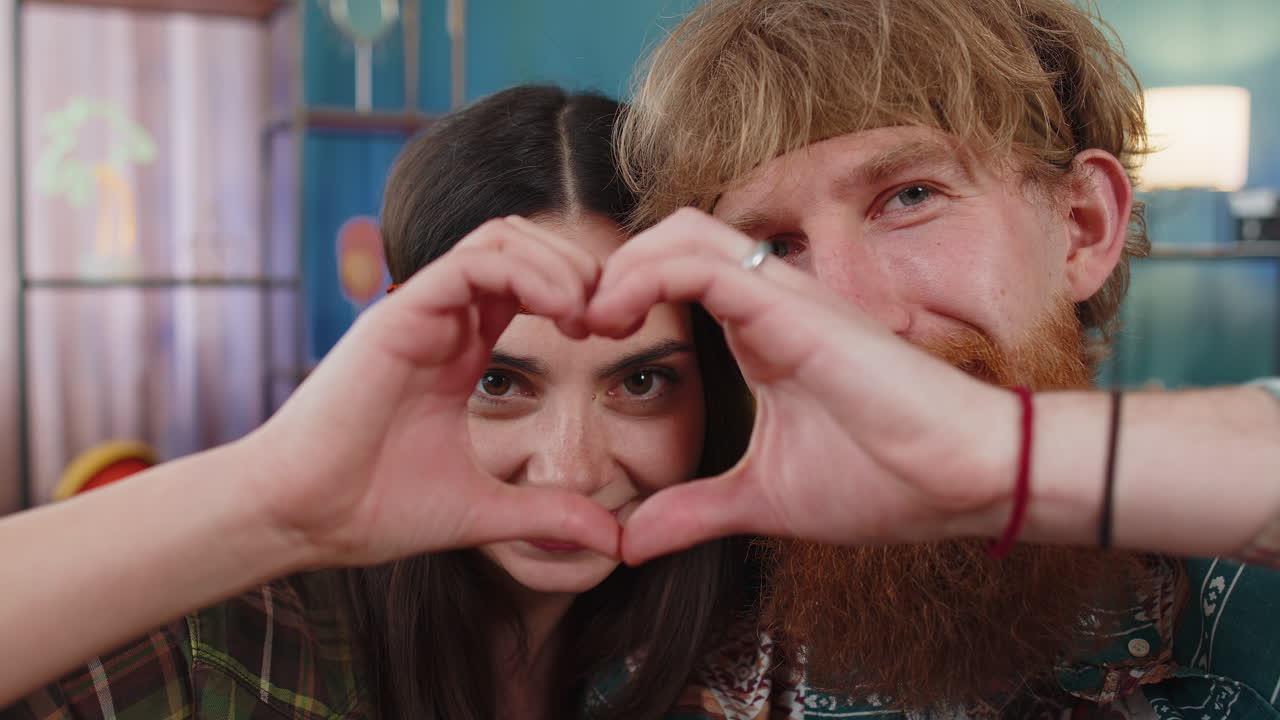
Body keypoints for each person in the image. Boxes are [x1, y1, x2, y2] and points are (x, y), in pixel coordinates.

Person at [586, 0, 1280, 716]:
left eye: (911, 197)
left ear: (1082, 226)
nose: (850, 321)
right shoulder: (656, 684)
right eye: (772, 249)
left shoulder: (1247, 607)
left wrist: (1008, 454)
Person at [0, 85, 752, 719]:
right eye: (497, 383)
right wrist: (270, 503)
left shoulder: (755, 651)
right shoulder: (233, 650)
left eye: (640, 384)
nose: (570, 471)